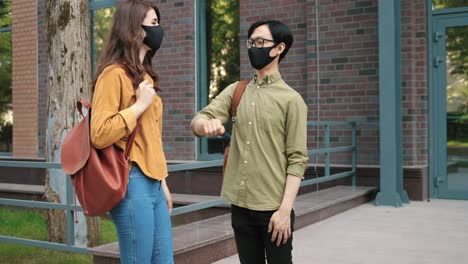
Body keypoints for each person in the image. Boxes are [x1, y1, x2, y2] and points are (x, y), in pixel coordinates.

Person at [191, 20, 308, 264]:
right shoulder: (237, 90)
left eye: (261, 42)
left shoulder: (292, 100)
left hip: (275, 209)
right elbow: (199, 119)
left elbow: (297, 160)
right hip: (241, 206)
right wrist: (205, 125)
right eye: (251, 42)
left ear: (279, 48)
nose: (254, 47)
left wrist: (285, 210)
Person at [90, 1, 173, 263]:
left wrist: (164, 182)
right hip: (131, 180)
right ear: (133, 29)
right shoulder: (112, 75)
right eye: (154, 23)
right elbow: (99, 133)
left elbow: (151, 137)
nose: (159, 29)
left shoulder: (146, 76)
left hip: (154, 182)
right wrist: (138, 106)